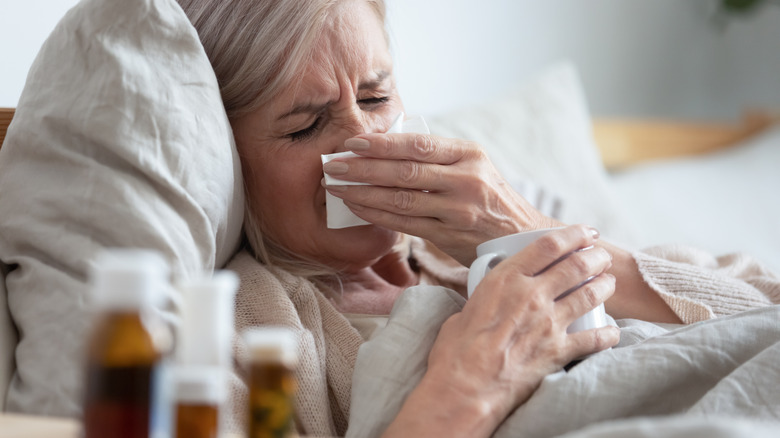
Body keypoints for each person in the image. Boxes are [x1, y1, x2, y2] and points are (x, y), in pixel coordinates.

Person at [176, 0, 780, 436]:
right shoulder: (245, 331)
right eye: (306, 126)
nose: (364, 144)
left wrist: (525, 229)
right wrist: (472, 384)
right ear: (228, 158)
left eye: (377, 98)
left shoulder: (506, 202)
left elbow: (762, 310)